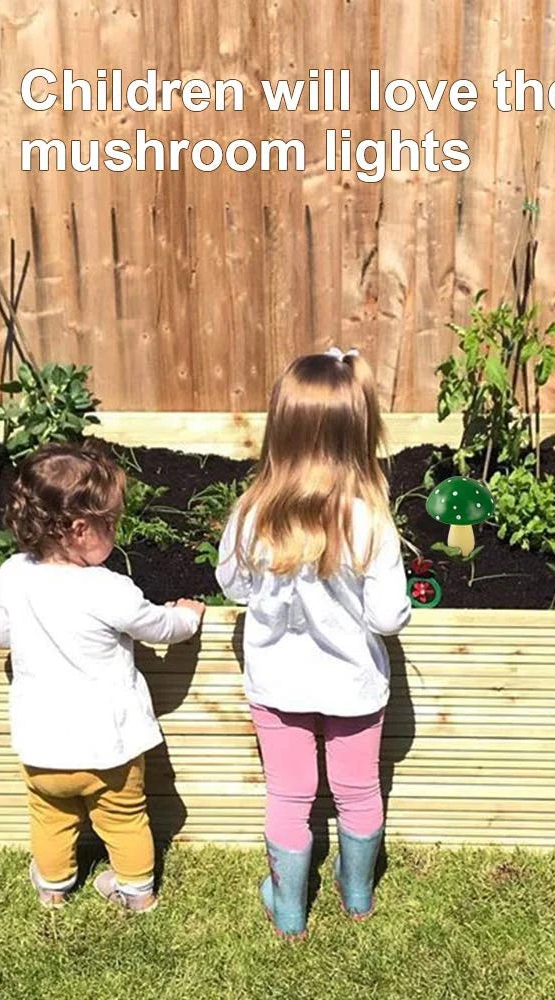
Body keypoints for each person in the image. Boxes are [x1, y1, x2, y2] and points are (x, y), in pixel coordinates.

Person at [216, 347, 411, 940]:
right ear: (359, 433)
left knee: (289, 795)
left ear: (281, 429)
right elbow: (387, 617)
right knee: (358, 791)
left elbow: (231, 585)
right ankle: (357, 897)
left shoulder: (252, 514)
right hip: (352, 687)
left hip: (276, 687)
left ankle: (289, 908)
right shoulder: (370, 519)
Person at [0, 441, 205, 912]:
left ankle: (53, 885)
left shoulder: (13, 574)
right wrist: (188, 618)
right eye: (112, 523)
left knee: (50, 817)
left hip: (42, 747)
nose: (117, 532)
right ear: (81, 530)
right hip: (110, 749)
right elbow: (159, 627)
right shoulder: (109, 589)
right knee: (124, 819)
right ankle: (136, 891)